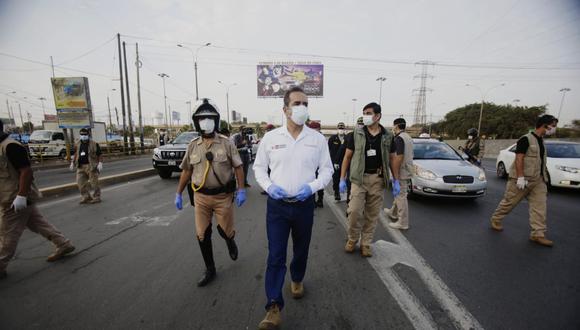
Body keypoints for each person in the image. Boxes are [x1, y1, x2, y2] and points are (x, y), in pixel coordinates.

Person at [253, 87, 333, 329]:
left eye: (306, 104)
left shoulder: (317, 139)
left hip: (304, 206)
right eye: (297, 103)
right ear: (285, 109)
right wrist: (268, 186)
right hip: (277, 207)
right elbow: (258, 168)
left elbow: (327, 170)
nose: (303, 108)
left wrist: (313, 187)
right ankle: (273, 306)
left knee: (301, 250)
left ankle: (297, 278)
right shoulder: (271, 138)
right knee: (276, 255)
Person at [175, 98, 247, 286]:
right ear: (196, 121)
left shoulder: (226, 143)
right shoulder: (192, 145)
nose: (205, 121)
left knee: (226, 231)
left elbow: (238, 167)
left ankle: (230, 240)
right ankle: (210, 269)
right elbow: (186, 171)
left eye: (209, 118)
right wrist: (178, 193)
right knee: (202, 234)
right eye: (202, 118)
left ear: (216, 120)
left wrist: (241, 190)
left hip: (223, 197)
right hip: (201, 198)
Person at [0, 120, 75, 280]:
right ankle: (63, 244)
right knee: (38, 223)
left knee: (7, 234)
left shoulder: (10, 146)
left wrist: (21, 196)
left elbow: (26, 172)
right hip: (11, 197)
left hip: (14, 199)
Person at [490, 114, 558, 247]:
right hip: (521, 180)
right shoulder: (525, 139)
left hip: (538, 180)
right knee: (509, 202)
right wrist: (520, 177)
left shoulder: (541, 141)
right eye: (553, 126)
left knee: (540, 207)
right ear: (545, 125)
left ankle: (538, 234)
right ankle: (496, 219)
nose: (554, 129)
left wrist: (544, 179)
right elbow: (519, 158)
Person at [339, 103, 392, 257]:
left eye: (368, 113)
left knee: (372, 214)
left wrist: (395, 179)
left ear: (378, 116)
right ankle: (352, 239)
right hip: (358, 179)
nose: (365, 116)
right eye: (364, 113)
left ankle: (366, 243)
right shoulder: (355, 134)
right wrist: (342, 178)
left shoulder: (388, 136)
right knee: (354, 211)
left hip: (377, 179)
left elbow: (393, 158)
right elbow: (347, 157)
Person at [384, 118, 414, 230]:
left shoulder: (399, 138)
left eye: (393, 126)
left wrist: (395, 176)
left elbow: (399, 157)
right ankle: (393, 212)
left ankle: (403, 222)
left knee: (401, 196)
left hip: (401, 170)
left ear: (396, 126)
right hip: (407, 169)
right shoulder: (408, 137)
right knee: (399, 194)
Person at [70, 128, 103, 204]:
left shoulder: (94, 144)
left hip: (91, 166)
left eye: (85, 134)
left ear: (88, 135)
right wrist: (72, 162)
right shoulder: (78, 144)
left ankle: (97, 197)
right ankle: (86, 197)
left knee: (94, 183)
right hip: (80, 166)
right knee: (80, 183)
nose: (83, 136)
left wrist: (100, 163)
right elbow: (76, 154)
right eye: (82, 134)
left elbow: (99, 154)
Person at [307, 121, 325, 208]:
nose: (313, 131)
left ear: (319, 129)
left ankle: (320, 200)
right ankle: (313, 201)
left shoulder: (322, 139)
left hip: (319, 165)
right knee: (311, 183)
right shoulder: (307, 138)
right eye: (311, 129)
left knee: (320, 183)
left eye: (315, 129)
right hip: (310, 165)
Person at [328, 122, 346, 201]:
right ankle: (336, 192)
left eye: (342, 128)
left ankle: (348, 192)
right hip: (335, 162)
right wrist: (332, 162)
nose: (341, 130)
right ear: (337, 129)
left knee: (346, 178)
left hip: (345, 161)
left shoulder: (347, 138)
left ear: (344, 129)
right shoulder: (332, 138)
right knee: (336, 177)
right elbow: (329, 150)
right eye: (340, 128)